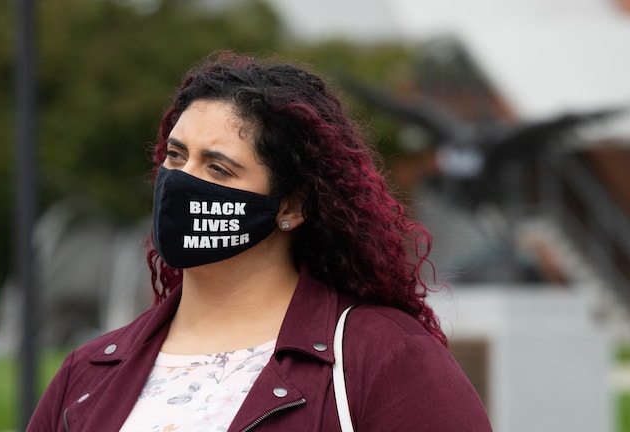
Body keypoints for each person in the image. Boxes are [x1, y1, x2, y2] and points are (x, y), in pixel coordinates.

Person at [28, 51, 492, 431]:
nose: (181, 181)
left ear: (291, 206)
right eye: (175, 155)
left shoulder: (383, 357)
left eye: (218, 168)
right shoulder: (86, 374)